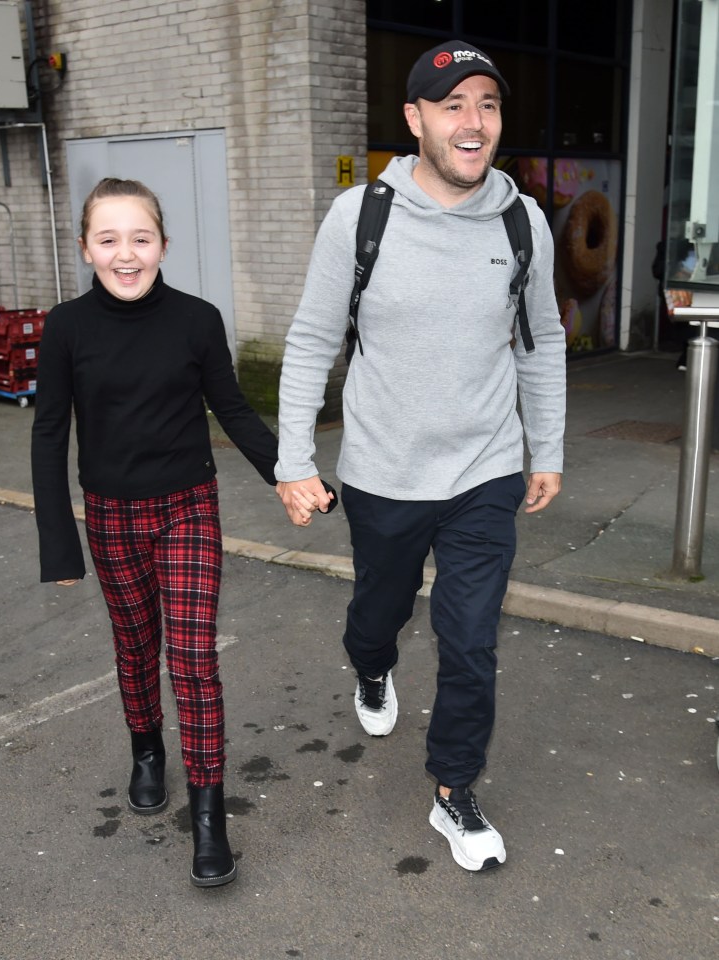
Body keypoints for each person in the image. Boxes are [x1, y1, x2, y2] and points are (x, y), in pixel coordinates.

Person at [275, 41, 566, 872]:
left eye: (488, 104)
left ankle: (453, 789)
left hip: (485, 470)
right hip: (382, 473)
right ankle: (370, 666)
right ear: (415, 121)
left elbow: (540, 341)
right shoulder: (359, 215)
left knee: (471, 640)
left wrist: (542, 447)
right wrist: (295, 458)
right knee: (379, 615)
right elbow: (309, 341)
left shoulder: (522, 220)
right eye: (453, 105)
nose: (474, 122)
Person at [31, 178, 309, 888]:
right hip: (111, 514)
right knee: (135, 646)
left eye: (140, 238)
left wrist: (290, 473)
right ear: (87, 247)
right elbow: (47, 434)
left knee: (190, 658)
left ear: (162, 244)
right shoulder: (65, 328)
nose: (126, 255)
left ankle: (209, 817)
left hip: (188, 508)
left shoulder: (196, 320)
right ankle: (147, 750)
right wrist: (59, 543)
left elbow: (233, 411)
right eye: (108, 239)